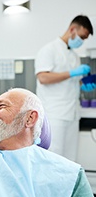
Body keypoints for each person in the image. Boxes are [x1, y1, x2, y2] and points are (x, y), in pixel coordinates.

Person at [35, 15, 93, 161]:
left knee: (70, 160)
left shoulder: (75, 56)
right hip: (55, 114)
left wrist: (84, 84)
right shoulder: (48, 50)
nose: (82, 41)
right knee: (54, 157)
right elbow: (43, 77)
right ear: (72, 29)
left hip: (72, 114)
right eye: (82, 37)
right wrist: (72, 73)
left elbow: (73, 81)